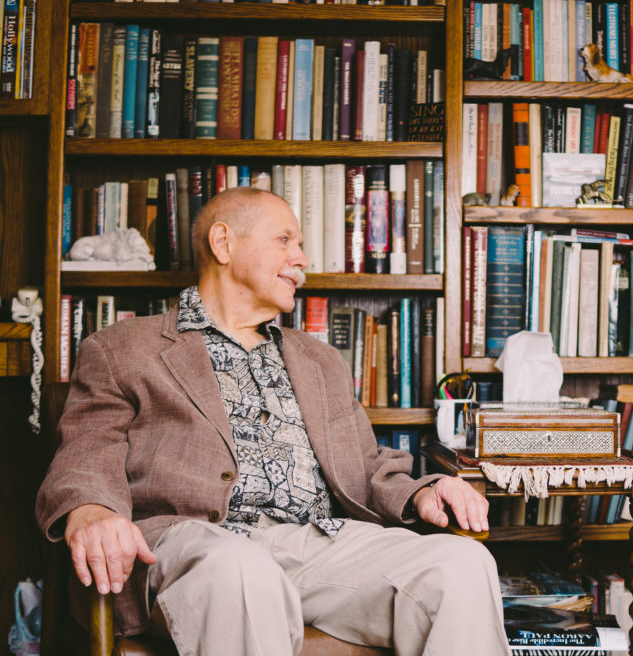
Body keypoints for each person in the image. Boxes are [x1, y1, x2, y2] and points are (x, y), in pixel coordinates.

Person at [36, 187, 512, 655]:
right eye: (285, 240)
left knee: (461, 563)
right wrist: (92, 511)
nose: (301, 258)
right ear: (223, 244)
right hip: (202, 547)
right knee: (239, 569)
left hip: (323, 543)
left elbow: (366, 467)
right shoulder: (122, 349)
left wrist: (424, 491)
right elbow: (86, 451)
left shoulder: (320, 360)